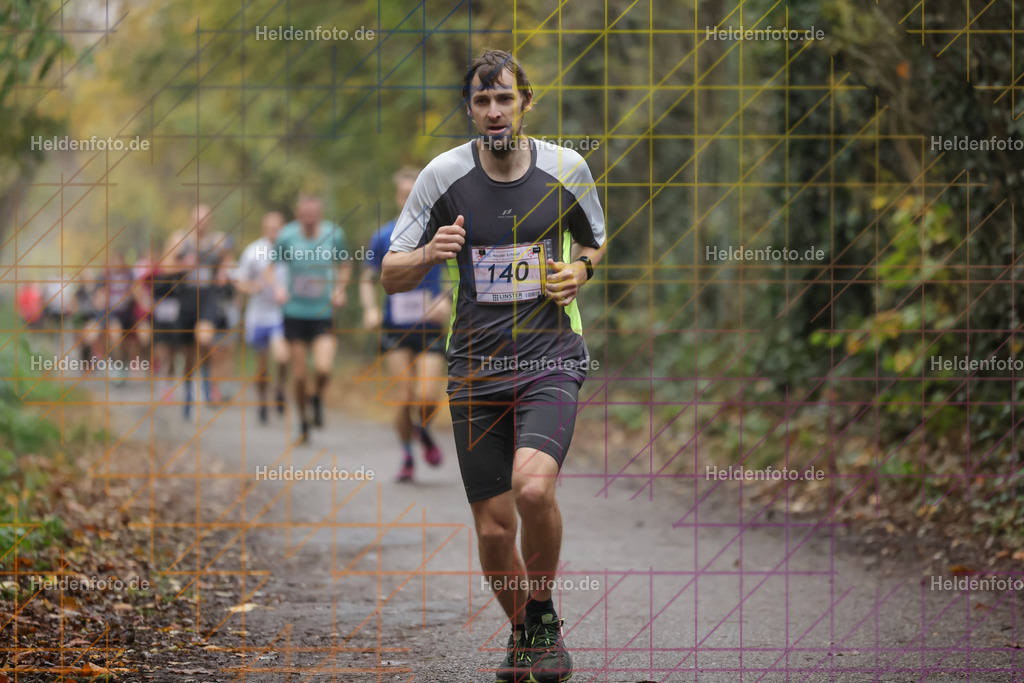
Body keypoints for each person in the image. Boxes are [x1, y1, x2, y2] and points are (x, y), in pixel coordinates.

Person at [381, 50, 606, 683]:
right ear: (471, 109)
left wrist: (579, 272)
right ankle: (522, 636)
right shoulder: (441, 177)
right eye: (481, 102)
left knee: (534, 489)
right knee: (491, 527)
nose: (493, 111)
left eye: (504, 98)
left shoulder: (568, 168)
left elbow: (594, 238)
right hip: (475, 369)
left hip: (549, 358)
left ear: (525, 102)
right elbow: (390, 273)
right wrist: (430, 251)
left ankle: (542, 617)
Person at [362, 167, 449, 482]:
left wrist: (447, 299)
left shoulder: (440, 231)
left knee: (427, 397)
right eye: (404, 195)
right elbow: (367, 279)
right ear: (398, 198)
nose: (409, 200)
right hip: (396, 328)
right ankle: (408, 454)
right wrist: (371, 308)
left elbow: (463, 270)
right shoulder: (384, 235)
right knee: (405, 396)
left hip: (429, 326)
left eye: (416, 194)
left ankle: (423, 430)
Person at [269, 195, 352, 444]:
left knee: (324, 369)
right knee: (300, 375)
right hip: (294, 313)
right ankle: (304, 422)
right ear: (297, 214)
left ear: (320, 213)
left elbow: (346, 263)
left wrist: (340, 288)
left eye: (312, 214)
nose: (308, 218)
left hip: (322, 313)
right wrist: (278, 288)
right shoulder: (286, 236)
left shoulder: (334, 234)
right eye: (304, 214)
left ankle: (316, 398)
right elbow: (271, 267)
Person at [162, 204, 231, 418]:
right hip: (186, 300)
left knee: (205, 339)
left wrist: (222, 273)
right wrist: (183, 264)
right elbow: (164, 267)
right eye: (198, 220)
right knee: (188, 353)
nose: (201, 224)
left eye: (205, 220)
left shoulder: (217, 241)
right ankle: (189, 391)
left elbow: (227, 262)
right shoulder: (179, 240)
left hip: (208, 298)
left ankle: (208, 381)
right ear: (191, 220)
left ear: (210, 221)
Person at [237, 212, 290, 424]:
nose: (274, 231)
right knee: (262, 367)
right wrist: (253, 287)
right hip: (258, 315)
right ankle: (262, 401)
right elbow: (239, 281)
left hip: (280, 314)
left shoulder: (291, 249)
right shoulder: (253, 251)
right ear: (263, 228)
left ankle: (279, 388)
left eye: (278, 227)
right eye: (270, 227)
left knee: (283, 357)